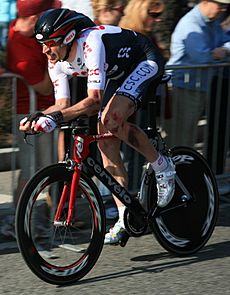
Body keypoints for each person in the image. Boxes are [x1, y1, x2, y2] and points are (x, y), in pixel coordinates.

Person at [19, 8, 176, 245]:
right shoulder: (55, 60)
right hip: (117, 71)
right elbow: (61, 104)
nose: (44, 50)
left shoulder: (90, 42)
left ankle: (163, 166)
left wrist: (56, 119)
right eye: (42, 44)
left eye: (49, 43)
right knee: (105, 143)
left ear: (68, 38)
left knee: (111, 120)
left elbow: (93, 102)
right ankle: (125, 215)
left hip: (143, 60)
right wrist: (38, 117)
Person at [0, 0, 61, 240]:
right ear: (36, 17)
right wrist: (55, 60)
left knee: (41, 168)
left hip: (41, 111)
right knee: (32, 170)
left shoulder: (20, 27)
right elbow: (45, 86)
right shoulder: (22, 54)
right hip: (31, 114)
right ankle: (18, 221)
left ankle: (31, 220)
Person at [166, 0, 230, 149]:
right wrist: (217, 54)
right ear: (206, 2)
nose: (222, 10)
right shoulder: (191, 23)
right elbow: (202, 57)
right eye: (220, 5)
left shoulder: (212, 22)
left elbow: (225, 44)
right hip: (183, 88)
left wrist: (223, 51)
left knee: (187, 137)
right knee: (180, 137)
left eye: (225, 7)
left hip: (196, 87)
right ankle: (176, 170)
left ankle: (182, 169)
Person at [119, 0, 167, 193]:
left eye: (159, 15)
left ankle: (137, 196)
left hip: (144, 105)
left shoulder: (149, 36)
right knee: (131, 155)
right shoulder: (127, 36)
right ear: (139, 13)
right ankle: (128, 197)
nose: (157, 20)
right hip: (128, 106)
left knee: (139, 155)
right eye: (153, 15)